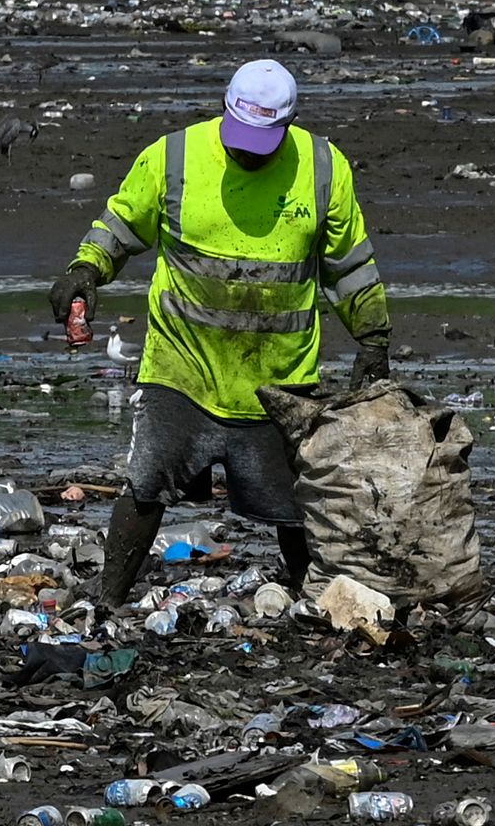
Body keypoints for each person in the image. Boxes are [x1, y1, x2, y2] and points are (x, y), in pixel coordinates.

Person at [49, 57, 392, 613]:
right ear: (224, 112)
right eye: (239, 138)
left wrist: (373, 338)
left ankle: (312, 606)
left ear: (289, 125)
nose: (246, 151)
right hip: (182, 368)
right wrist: (85, 270)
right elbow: (120, 226)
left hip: (278, 379)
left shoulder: (323, 167)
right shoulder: (174, 157)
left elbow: (349, 265)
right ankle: (107, 602)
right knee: (146, 484)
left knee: (294, 507)